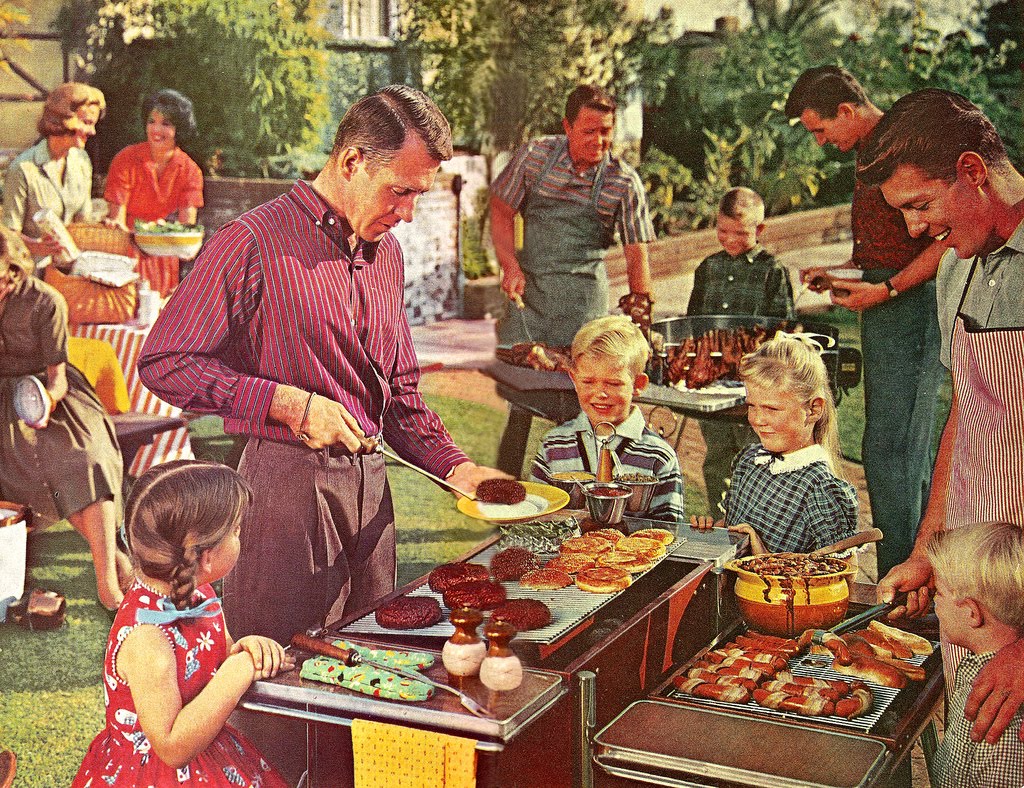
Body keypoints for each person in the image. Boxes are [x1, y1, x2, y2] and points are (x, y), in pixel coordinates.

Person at [138, 85, 504, 646]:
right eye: (400, 192)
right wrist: (287, 403)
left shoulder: (386, 255)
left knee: (376, 661)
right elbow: (165, 360)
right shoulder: (250, 243)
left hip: (373, 495)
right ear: (352, 161)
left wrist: (456, 468)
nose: (408, 214)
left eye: (419, 196)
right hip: (285, 493)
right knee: (282, 669)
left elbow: (399, 393)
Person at [860, 88, 1024, 746]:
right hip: (972, 586)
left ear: (971, 170)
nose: (913, 232)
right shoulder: (957, 269)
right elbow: (966, 412)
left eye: (920, 205)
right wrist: (931, 549)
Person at [784, 66, 945, 577]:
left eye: (820, 129)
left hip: (911, 307)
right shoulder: (867, 151)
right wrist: (840, 273)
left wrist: (887, 290)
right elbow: (882, 248)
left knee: (894, 448)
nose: (820, 141)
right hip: (886, 303)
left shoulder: (903, 145)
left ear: (846, 110)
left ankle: (902, 579)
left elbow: (944, 241)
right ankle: (913, 574)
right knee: (895, 447)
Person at [72, 461, 293, 787]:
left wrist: (242, 650)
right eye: (235, 530)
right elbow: (172, 747)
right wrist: (239, 670)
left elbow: (213, 666)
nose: (240, 536)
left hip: (208, 753)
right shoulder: (148, 640)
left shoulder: (198, 594)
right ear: (205, 555)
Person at [0, 224, 129, 610]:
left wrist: (46, 402)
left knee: (87, 458)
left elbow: (57, 378)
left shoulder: (46, 302)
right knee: (29, 463)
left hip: (49, 393)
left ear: (13, 269)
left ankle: (108, 584)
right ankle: (119, 564)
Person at [490, 84, 655, 347]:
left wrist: (642, 319)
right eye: (589, 131)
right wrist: (509, 266)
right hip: (527, 304)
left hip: (584, 311)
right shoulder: (535, 156)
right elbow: (501, 209)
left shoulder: (623, 182)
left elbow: (637, 257)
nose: (598, 141)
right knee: (513, 364)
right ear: (567, 127)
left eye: (605, 131)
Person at [690, 335, 858, 554]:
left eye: (771, 409)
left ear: (813, 409)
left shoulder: (820, 489)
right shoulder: (749, 460)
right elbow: (733, 526)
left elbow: (844, 571)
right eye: (752, 406)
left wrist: (761, 555)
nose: (758, 419)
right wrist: (712, 532)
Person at [686, 186, 795, 513]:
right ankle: (721, 520)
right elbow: (695, 321)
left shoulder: (772, 270)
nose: (730, 239)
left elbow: (783, 327)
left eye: (740, 232)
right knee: (717, 457)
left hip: (755, 385)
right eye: (723, 231)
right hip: (714, 383)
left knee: (756, 455)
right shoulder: (708, 268)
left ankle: (759, 521)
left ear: (759, 229)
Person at [530, 315, 684, 522]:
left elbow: (669, 530)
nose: (600, 393)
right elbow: (535, 515)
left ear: (638, 384)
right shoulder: (553, 445)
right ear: (574, 379)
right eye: (588, 382)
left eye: (613, 384)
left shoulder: (659, 456)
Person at [926, 521, 1024, 788]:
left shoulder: (1000, 733)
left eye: (939, 592)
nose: (934, 601)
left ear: (972, 613)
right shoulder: (975, 669)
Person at [104, 89, 205, 296]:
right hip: (127, 248)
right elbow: (117, 222)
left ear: (179, 129)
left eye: (166, 124)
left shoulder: (190, 170)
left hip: (165, 252)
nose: (156, 129)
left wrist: (183, 247)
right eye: (151, 121)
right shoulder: (125, 159)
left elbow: (185, 229)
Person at [2, 82, 105, 268]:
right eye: (87, 123)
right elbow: (8, 236)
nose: (93, 131)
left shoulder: (82, 161)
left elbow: (83, 222)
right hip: (32, 271)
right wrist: (37, 246)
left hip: (70, 270)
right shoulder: (23, 168)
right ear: (64, 119)